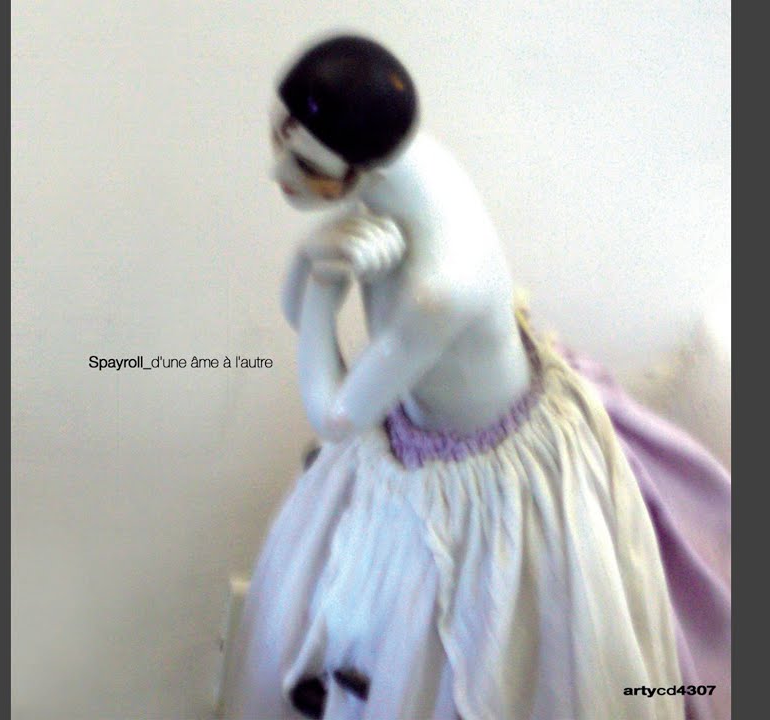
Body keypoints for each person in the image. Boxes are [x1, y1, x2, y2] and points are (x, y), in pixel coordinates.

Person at [225, 34, 685, 720]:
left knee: (489, 661)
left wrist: (322, 281)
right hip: (410, 428)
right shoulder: (399, 163)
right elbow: (306, 326)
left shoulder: (437, 288)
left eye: (305, 164)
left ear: (363, 167)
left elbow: (336, 416)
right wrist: (313, 258)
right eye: (278, 138)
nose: (277, 171)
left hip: (490, 497)